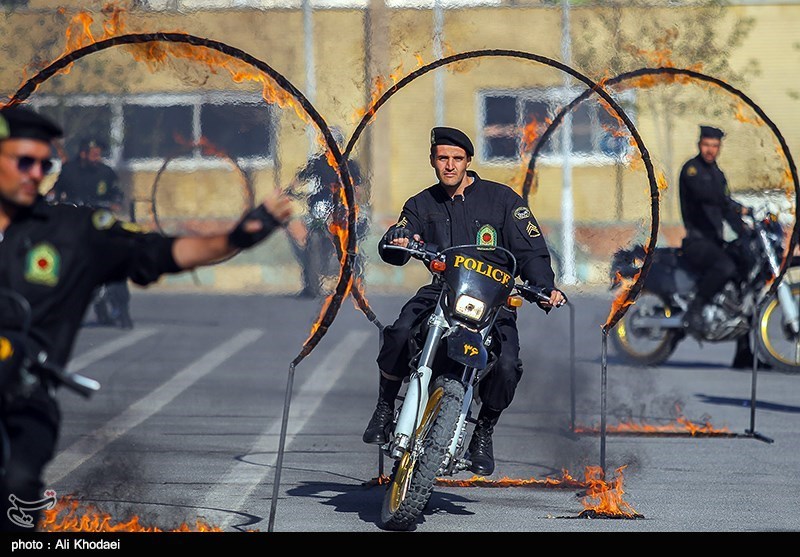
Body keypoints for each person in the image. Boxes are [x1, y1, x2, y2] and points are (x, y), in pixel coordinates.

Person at [0, 105, 292, 532]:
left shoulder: (74, 232)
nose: (35, 173)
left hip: (24, 401)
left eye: (44, 164)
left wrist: (238, 236)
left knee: (17, 493)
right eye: (23, 161)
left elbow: (165, 252)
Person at [362, 126, 565, 476]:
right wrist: (399, 237)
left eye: (457, 159)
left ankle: (484, 432)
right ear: (433, 161)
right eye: (443, 158)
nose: (450, 165)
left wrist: (545, 287)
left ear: (469, 161)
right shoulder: (421, 204)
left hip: (493, 302)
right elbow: (399, 240)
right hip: (441, 292)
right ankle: (384, 407)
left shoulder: (503, 201)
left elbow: (531, 253)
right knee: (397, 332)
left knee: (507, 366)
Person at [678, 125, 761, 369]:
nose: (710, 150)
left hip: (714, 241)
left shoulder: (718, 174)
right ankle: (695, 309)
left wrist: (746, 231)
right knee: (724, 266)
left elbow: (725, 210)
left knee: (742, 282)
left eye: (715, 146)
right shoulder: (691, 171)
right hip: (696, 241)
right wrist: (733, 205)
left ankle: (744, 353)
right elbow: (708, 197)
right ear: (699, 144)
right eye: (707, 144)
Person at [49, 138, 132, 328]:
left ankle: (121, 307)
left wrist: (115, 202)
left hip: (100, 222)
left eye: (99, 153)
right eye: (93, 153)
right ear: (83, 153)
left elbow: (117, 193)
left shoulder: (106, 172)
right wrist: (50, 197)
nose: (97, 157)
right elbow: (56, 191)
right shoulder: (69, 170)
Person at [285, 128, 368, 298]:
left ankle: (355, 286)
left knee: (350, 246)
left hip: (342, 212)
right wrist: (289, 190)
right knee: (313, 242)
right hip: (320, 210)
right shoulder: (317, 162)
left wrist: (351, 197)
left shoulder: (350, 165)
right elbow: (300, 178)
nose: (330, 145)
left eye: (334, 142)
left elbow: (358, 189)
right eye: (327, 141)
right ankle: (311, 287)